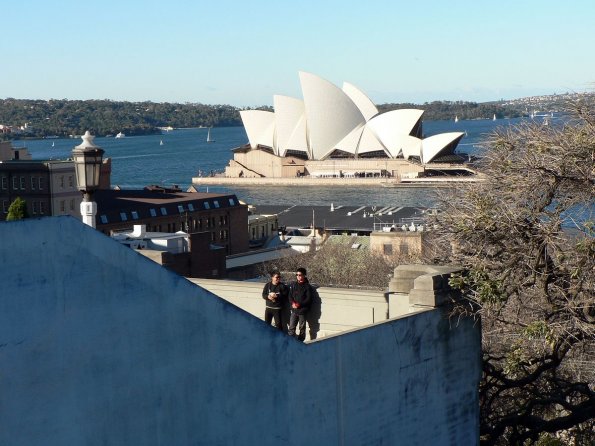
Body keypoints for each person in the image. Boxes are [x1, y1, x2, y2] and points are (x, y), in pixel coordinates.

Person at [288, 267, 313, 341]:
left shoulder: (307, 286)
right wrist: (292, 303)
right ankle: (290, 342)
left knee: (302, 328)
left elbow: (308, 299)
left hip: (302, 311)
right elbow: (290, 296)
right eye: (297, 275)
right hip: (294, 310)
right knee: (291, 327)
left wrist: (299, 304)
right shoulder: (294, 284)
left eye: (300, 275)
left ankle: (300, 343)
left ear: (304, 275)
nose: (298, 276)